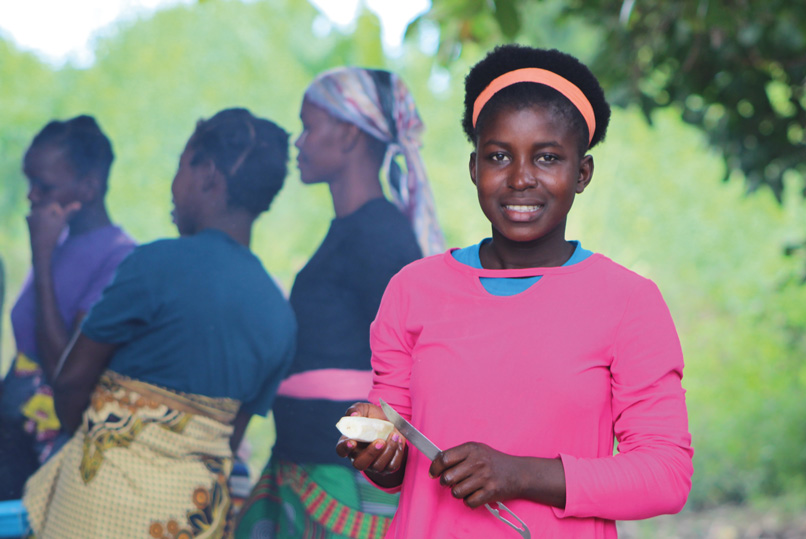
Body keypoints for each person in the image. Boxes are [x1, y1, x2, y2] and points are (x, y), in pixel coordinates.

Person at [337, 45, 694, 538]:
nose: (521, 178)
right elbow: (398, 464)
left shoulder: (628, 302)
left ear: (582, 173)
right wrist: (376, 452)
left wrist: (520, 474)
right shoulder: (413, 290)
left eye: (547, 158)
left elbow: (665, 475)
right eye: (499, 156)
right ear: (474, 168)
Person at [22, 108, 297, 538]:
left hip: (95, 512)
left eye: (181, 166)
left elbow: (71, 382)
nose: (174, 185)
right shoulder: (280, 315)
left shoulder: (153, 263)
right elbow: (229, 439)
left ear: (207, 175)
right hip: (186, 521)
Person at [234, 67, 444, 539]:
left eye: (308, 127)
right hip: (310, 463)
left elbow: (414, 363)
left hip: (347, 477)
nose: (299, 141)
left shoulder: (380, 237)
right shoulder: (356, 231)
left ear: (349, 134)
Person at [0, 116, 136, 501]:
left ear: (88, 187)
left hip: (48, 454)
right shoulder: (58, 244)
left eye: (44, 186)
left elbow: (64, 367)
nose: (32, 196)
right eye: (29, 183)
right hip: (12, 437)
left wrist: (42, 258)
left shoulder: (119, 258)